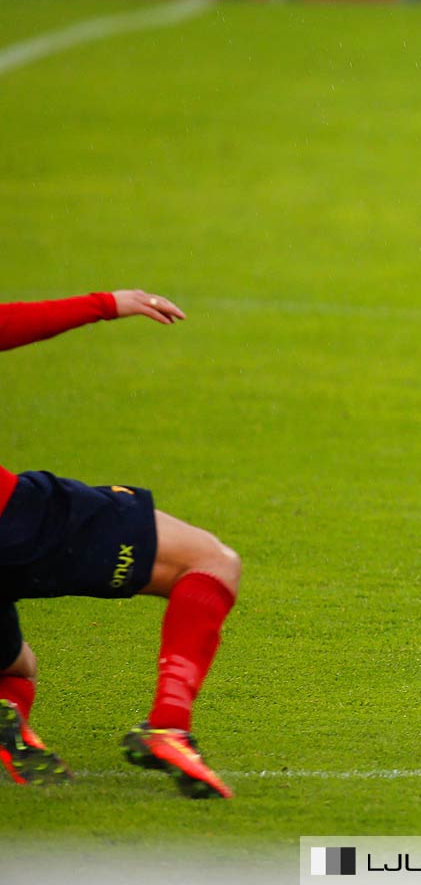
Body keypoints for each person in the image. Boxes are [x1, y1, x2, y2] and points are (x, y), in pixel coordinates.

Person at [0, 291, 240, 799]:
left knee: (17, 665)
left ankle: (9, 724)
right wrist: (107, 302)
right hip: (11, 523)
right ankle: (168, 728)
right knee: (210, 561)